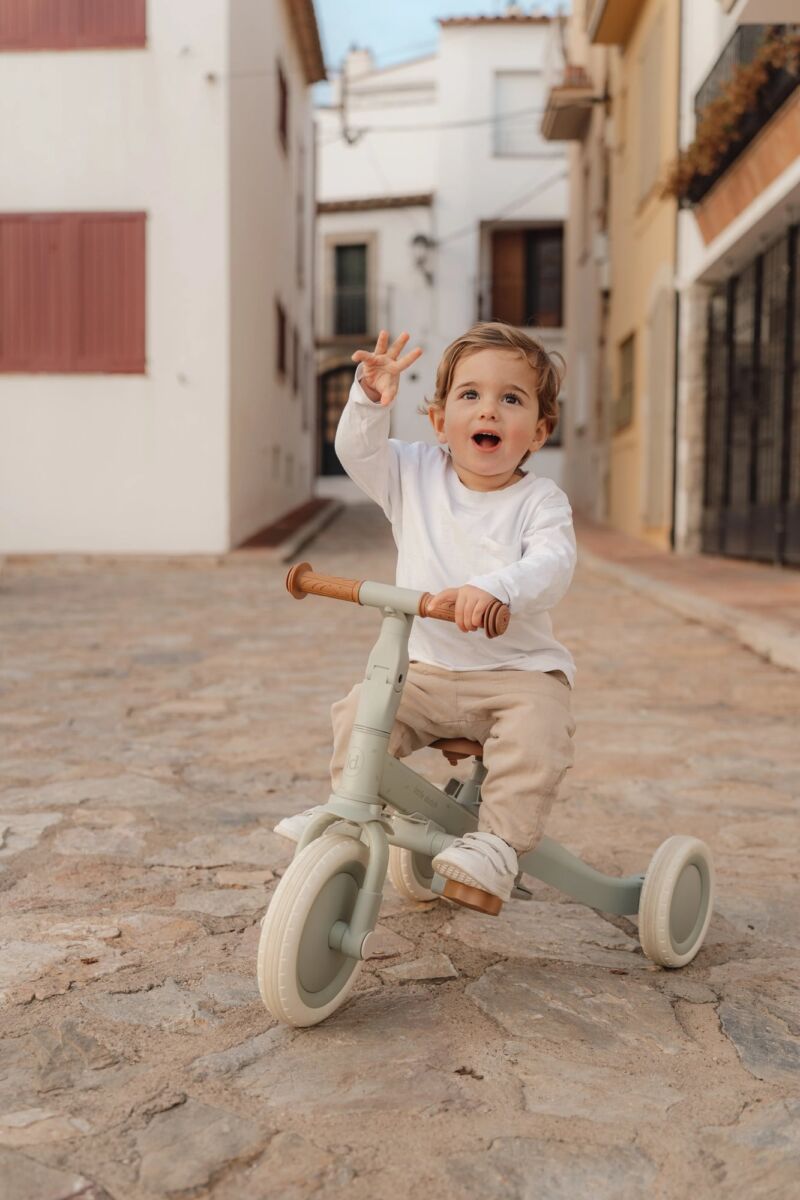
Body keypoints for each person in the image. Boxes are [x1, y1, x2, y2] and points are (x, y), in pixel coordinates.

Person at [275, 321, 576, 905]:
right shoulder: (413, 473)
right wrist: (369, 400)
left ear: (538, 432)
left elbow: (553, 563)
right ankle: (348, 805)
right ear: (439, 421)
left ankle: (498, 846)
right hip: (426, 672)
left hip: (517, 675)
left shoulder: (540, 501)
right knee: (362, 709)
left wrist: (495, 588)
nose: (488, 410)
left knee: (538, 731)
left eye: (511, 399)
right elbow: (357, 452)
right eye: (470, 394)